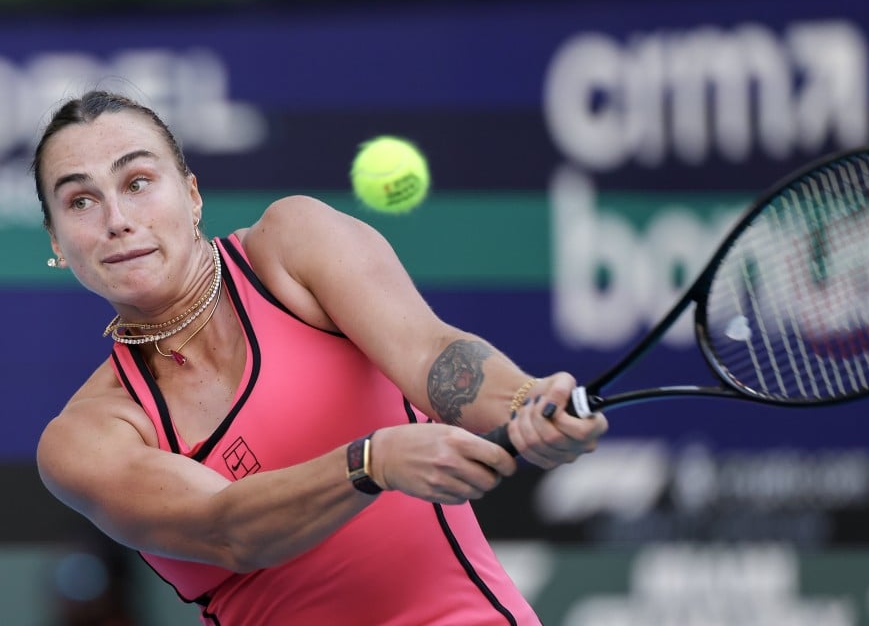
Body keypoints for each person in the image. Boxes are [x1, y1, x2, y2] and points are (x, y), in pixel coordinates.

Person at [33, 90, 608, 625]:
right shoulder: (84, 439)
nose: (117, 220)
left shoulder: (293, 244)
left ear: (191, 193)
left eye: (137, 182)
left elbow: (431, 353)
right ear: (57, 240)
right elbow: (229, 530)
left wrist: (524, 401)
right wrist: (369, 462)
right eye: (80, 200)